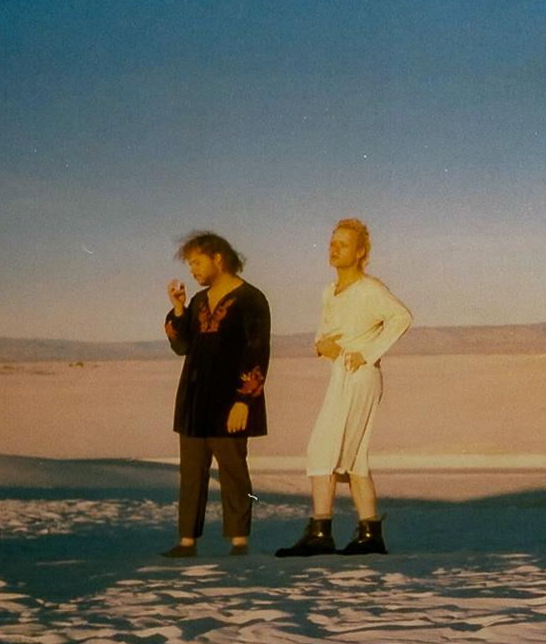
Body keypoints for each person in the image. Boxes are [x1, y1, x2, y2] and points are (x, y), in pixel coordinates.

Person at [277, 218, 412, 557]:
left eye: (344, 244)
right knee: (355, 459)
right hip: (340, 373)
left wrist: (367, 353)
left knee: (322, 449)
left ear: (361, 252)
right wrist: (322, 347)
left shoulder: (370, 288)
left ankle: (320, 532)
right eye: (332, 243)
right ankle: (369, 533)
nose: (335, 249)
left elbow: (402, 317)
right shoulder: (330, 291)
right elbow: (324, 334)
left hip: (359, 375)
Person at [162, 231, 271, 558]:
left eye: (197, 262)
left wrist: (244, 401)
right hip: (194, 402)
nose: (192, 269)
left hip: (230, 403)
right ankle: (187, 542)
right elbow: (182, 346)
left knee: (234, 472)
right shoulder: (197, 302)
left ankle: (239, 542)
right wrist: (178, 310)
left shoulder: (251, 299)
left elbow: (257, 352)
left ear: (218, 259)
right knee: (191, 474)